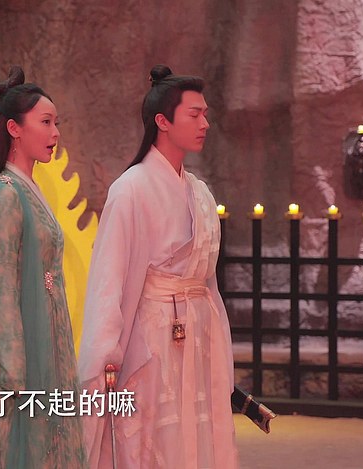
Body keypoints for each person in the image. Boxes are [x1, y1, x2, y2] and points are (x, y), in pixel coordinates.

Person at [77, 65, 238, 468]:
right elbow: (108, 281)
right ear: (162, 121)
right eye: (194, 114)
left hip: (197, 333)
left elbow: (208, 283)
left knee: (199, 433)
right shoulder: (130, 189)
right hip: (152, 340)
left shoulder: (200, 192)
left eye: (205, 114)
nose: (205, 123)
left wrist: (219, 340)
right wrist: (106, 351)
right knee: (154, 440)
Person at [0, 66, 87, 468]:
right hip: (20, 345)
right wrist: (13, 363)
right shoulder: (6, 194)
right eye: (46, 122)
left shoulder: (29, 188)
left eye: (56, 123)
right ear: (14, 128)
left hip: (48, 336)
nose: (55, 133)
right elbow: (4, 285)